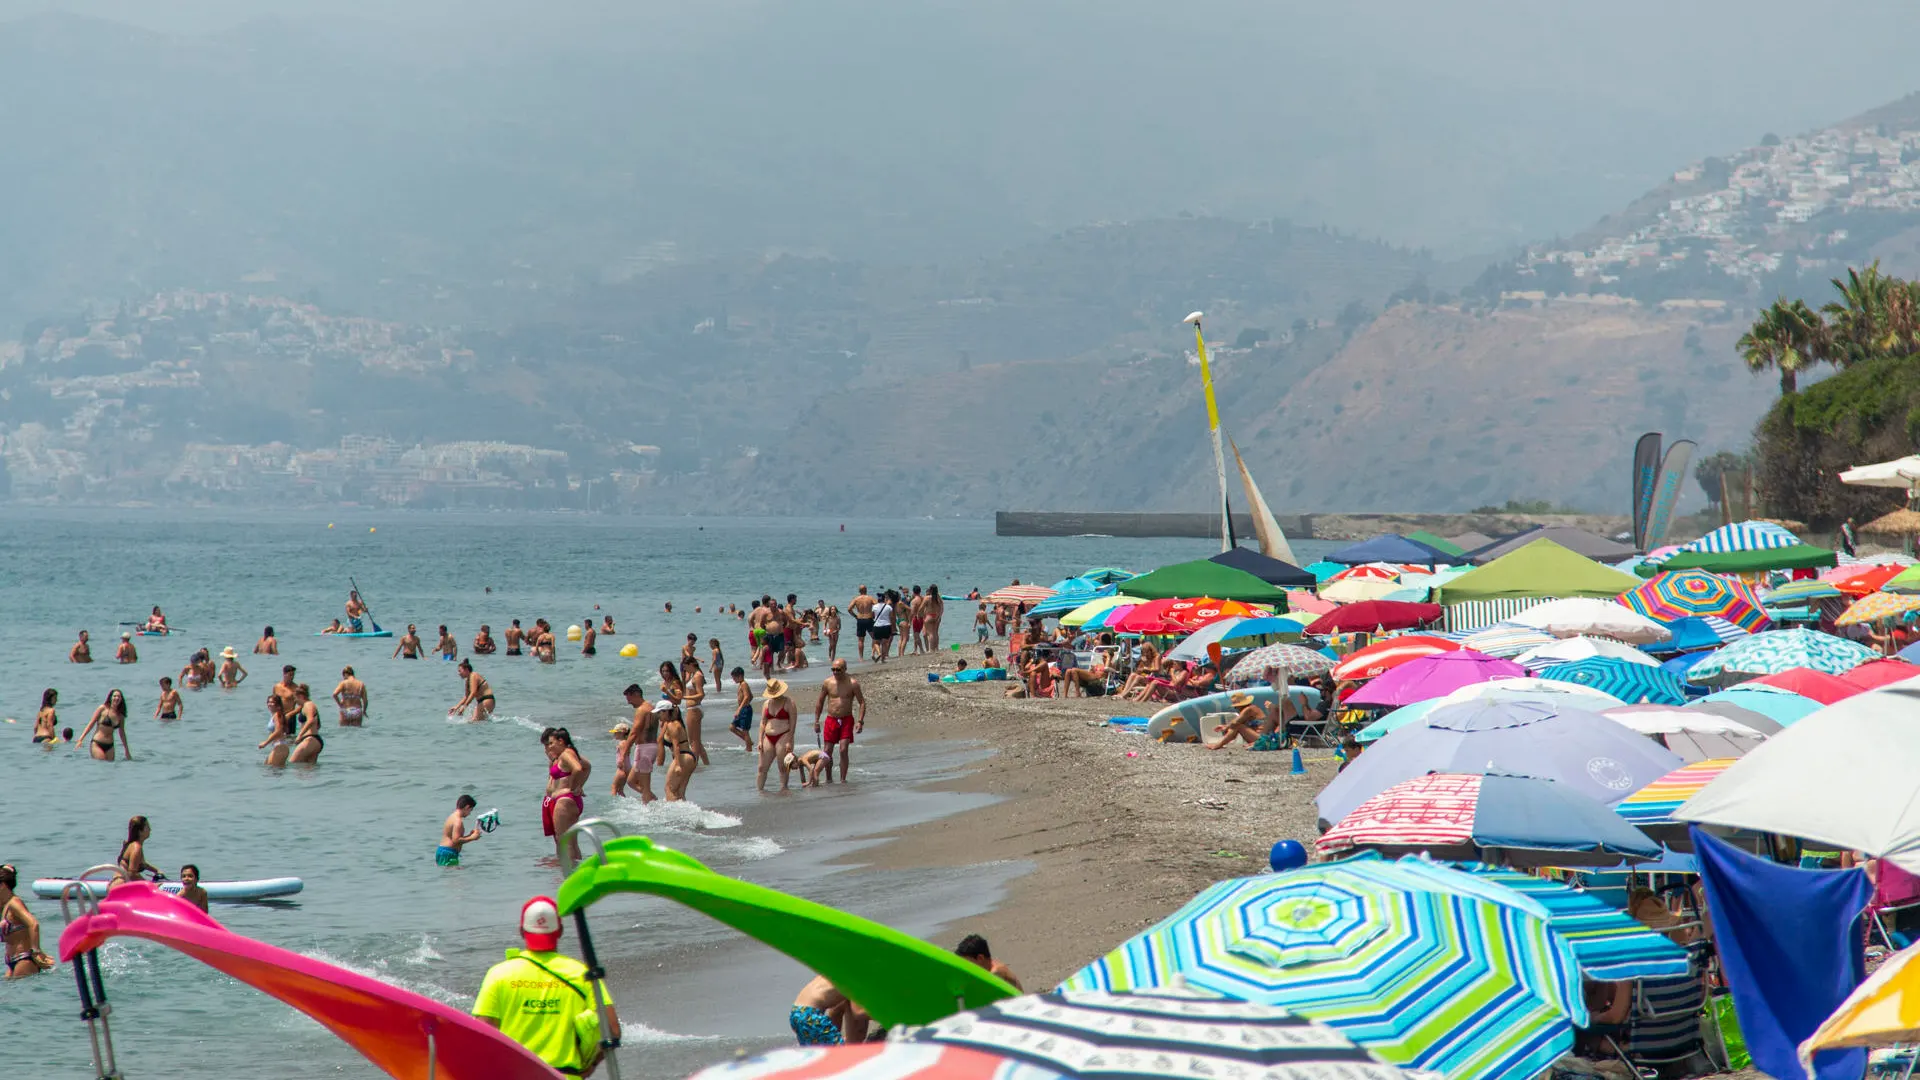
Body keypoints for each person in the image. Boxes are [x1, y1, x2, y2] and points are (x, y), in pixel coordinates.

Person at [473, 897, 616, 1077]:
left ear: (522, 931)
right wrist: (592, 1064)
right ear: (560, 931)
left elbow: (481, 1034)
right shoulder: (582, 973)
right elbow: (612, 1028)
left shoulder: (499, 974)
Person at [542, 728, 590, 863]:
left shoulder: (565, 754)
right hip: (568, 800)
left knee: (564, 841)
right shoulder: (567, 754)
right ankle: (576, 870)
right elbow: (585, 767)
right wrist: (578, 786)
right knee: (571, 841)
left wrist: (573, 787)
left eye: (551, 743)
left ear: (561, 741)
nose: (549, 747)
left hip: (565, 801)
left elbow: (579, 768)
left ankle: (568, 875)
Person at [814, 659, 866, 783]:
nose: (835, 672)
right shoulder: (828, 682)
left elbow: (862, 702)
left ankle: (843, 779)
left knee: (843, 749)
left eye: (838, 669)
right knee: (828, 751)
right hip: (831, 719)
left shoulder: (853, 683)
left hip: (846, 720)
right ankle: (828, 778)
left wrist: (860, 721)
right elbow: (820, 702)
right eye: (833, 669)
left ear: (845, 669)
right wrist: (816, 721)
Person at [2, 864, 51, 978]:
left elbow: (33, 924)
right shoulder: (5, 906)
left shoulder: (15, 903)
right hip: (11, 962)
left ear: (2, 886)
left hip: (24, 959)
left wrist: (36, 951)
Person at [611, 685, 658, 802]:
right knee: (631, 781)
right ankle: (652, 800)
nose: (629, 703)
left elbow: (634, 733)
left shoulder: (641, 710)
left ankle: (648, 808)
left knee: (644, 784)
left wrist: (623, 754)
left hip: (644, 748)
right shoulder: (651, 707)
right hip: (651, 746)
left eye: (629, 699)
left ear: (636, 694)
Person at [790, 975, 866, 1046]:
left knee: (818, 1054)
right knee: (840, 1055)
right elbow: (858, 1013)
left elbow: (835, 1012)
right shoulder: (858, 977)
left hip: (797, 1012)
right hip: (811, 1015)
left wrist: (835, 1038)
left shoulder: (837, 972)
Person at [757, 678, 798, 791]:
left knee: (782, 767)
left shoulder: (789, 702)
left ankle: (783, 790)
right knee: (762, 768)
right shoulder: (766, 703)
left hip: (783, 735)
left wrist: (789, 740)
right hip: (768, 736)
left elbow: (793, 723)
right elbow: (763, 722)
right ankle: (760, 792)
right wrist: (760, 739)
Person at [657, 699, 697, 802]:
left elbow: (676, 746)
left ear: (666, 712)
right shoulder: (675, 723)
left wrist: (678, 765)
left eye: (659, 712)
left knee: (669, 789)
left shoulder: (672, 725)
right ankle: (685, 814)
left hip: (682, 757)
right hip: (689, 758)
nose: (658, 716)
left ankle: (673, 816)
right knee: (680, 792)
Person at [77, 689, 132, 761]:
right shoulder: (102, 709)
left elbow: (122, 733)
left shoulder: (120, 716)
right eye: (114, 696)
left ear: (121, 699)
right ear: (111, 698)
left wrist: (126, 750)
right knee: (102, 763)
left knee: (110, 767)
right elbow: (91, 724)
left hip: (110, 746)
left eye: (119, 697)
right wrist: (81, 739)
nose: (116, 698)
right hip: (97, 744)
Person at [954, 934, 1023, 990]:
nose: (967, 967)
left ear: (980, 958)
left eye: (968, 963)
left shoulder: (996, 972)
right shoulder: (989, 965)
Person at [680, 655, 709, 764]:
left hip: (694, 709)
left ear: (691, 664)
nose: (685, 669)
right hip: (694, 708)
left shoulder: (697, 676)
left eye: (685, 667)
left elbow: (701, 694)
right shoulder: (695, 675)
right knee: (697, 741)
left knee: (693, 741)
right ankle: (706, 763)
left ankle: (694, 764)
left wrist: (685, 697)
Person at [439, 795, 483, 867]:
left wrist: (470, 835)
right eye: (470, 810)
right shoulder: (458, 821)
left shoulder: (452, 817)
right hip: (449, 853)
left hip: (443, 851)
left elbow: (454, 838)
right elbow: (456, 840)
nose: (470, 813)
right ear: (467, 807)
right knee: (455, 877)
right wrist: (472, 838)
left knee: (449, 876)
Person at [115, 816, 160, 884]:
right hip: (121, 886)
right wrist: (149, 885)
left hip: (118, 883)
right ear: (140, 831)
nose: (150, 829)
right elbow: (132, 874)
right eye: (147, 827)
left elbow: (141, 864)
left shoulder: (131, 845)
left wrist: (156, 870)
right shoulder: (136, 848)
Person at [289, 684, 325, 764]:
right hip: (314, 740)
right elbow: (318, 725)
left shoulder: (308, 705)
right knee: (308, 771)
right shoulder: (308, 706)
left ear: (301, 696)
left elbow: (310, 720)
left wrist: (300, 735)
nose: (295, 701)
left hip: (310, 740)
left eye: (295, 698)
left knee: (293, 763)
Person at [260, 693, 293, 768]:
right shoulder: (277, 715)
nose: (269, 704)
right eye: (268, 702)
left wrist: (265, 743)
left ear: (278, 705)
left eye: (272, 702)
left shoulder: (277, 715)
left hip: (280, 746)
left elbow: (279, 731)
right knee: (271, 770)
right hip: (279, 746)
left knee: (271, 771)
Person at [726, 666, 754, 750]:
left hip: (745, 710)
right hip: (743, 709)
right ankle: (749, 742)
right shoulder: (741, 684)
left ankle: (748, 749)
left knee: (745, 732)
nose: (733, 679)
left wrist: (739, 708)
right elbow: (751, 696)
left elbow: (747, 697)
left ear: (740, 676)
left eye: (734, 677)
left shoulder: (744, 684)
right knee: (732, 727)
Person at [849, 585, 875, 659]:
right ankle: (873, 653)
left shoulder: (856, 599)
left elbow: (849, 609)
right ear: (866, 590)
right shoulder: (870, 598)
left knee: (860, 640)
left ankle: (861, 658)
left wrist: (855, 616)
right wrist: (873, 614)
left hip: (860, 619)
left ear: (859, 591)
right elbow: (877, 606)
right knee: (875, 637)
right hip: (869, 618)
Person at [870, 592, 894, 662]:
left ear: (878, 599)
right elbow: (892, 617)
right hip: (887, 626)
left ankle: (879, 653)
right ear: (884, 599)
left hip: (877, 626)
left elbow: (872, 616)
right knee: (884, 643)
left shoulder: (874, 607)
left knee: (876, 643)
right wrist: (892, 628)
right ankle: (883, 659)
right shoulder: (889, 607)